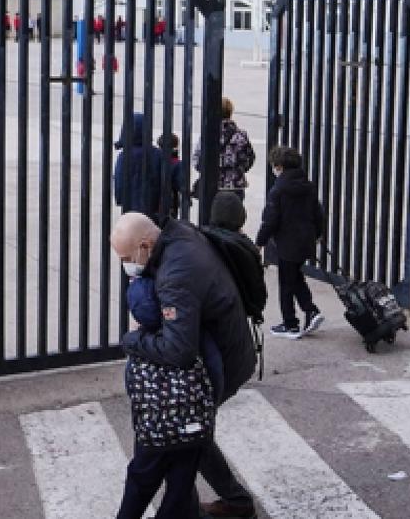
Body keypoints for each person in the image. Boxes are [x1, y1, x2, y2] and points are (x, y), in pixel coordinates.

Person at [114, 212, 258, 519]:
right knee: (190, 435)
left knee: (182, 435)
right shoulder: (176, 234)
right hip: (227, 349)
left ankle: (212, 507)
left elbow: (178, 350)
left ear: (144, 245)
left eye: (126, 257)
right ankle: (231, 503)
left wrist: (133, 341)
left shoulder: (174, 276)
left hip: (220, 363)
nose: (126, 266)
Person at [116, 242, 223, 519]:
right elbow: (211, 374)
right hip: (190, 429)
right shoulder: (189, 336)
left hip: (153, 434)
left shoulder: (138, 350)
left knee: (140, 480)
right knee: (180, 485)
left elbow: (134, 395)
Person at [256, 146, 326, 339]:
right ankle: (311, 310)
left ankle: (290, 324)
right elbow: (318, 213)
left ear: (279, 166)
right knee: (295, 278)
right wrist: (318, 234)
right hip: (305, 241)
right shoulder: (308, 186)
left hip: (287, 242)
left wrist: (259, 242)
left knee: (286, 284)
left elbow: (270, 219)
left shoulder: (278, 190)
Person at [193, 98, 256, 205]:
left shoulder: (208, 134)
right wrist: (238, 170)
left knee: (210, 218)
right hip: (235, 185)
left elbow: (197, 160)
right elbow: (250, 158)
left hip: (212, 185)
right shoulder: (241, 135)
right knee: (233, 218)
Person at [114, 113, 167, 217]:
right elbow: (163, 180)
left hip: (130, 203)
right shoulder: (157, 154)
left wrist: (120, 198)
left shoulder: (124, 155)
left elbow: (119, 179)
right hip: (152, 204)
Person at [157, 132, 185, 218]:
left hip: (155, 199)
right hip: (171, 201)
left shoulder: (156, 160)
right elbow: (180, 184)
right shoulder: (177, 163)